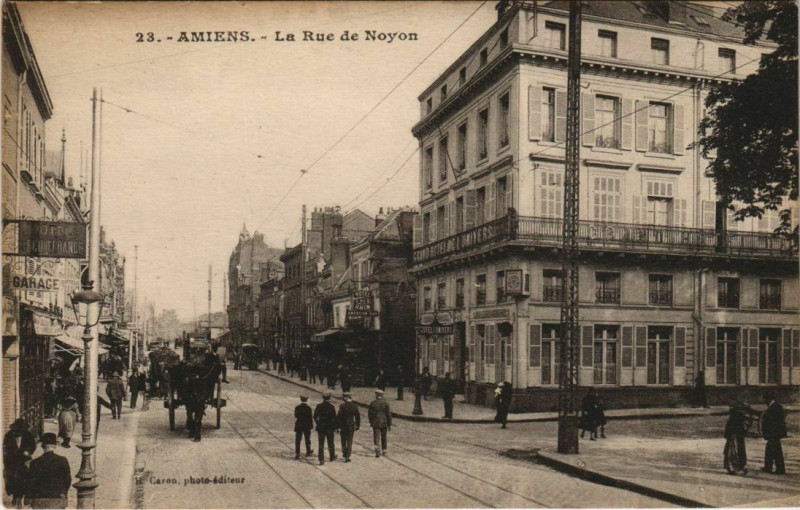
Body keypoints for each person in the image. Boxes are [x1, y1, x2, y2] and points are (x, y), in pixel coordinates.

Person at [24, 433, 72, 509]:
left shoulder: (34, 463)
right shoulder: (63, 460)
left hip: (39, 500)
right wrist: (64, 493)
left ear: (42, 446)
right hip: (57, 499)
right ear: (55, 446)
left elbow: (30, 483)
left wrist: (27, 499)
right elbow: (67, 481)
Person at [3, 419, 36, 507]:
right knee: (12, 481)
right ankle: (15, 497)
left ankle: (20, 500)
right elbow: (5, 450)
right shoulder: (9, 435)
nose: (19, 433)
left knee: (23, 481)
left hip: (24, 462)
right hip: (12, 462)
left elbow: (33, 446)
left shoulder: (28, 435)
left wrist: (28, 452)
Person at [761, 391, 786, 475]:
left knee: (776, 451)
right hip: (774, 433)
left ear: (768, 399)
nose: (764, 402)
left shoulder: (775, 407)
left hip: (774, 433)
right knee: (770, 450)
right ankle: (768, 467)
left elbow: (775, 421)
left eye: (765, 399)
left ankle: (780, 469)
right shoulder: (773, 406)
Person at [724, 402, 750, 475]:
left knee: (733, 452)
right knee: (740, 451)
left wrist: (727, 435)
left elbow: (728, 428)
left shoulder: (733, 419)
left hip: (733, 437)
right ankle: (742, 466)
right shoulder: (741, 418)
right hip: (739, 436)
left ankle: (734, 468)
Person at [313, 390, 338, 465]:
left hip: (321, 427)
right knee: (331, 442)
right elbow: (334, 418)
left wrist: (318, 423)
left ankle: (321, 459)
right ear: (329, 398)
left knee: (321, 443)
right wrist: (335, 427)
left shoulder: (319, 406)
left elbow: (315, 416)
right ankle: (332, 456)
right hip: (329, 427)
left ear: (323, 398)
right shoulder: (331, 407)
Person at [368, 389, 392, 457]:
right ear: (382, 395)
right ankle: (384, 450)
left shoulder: (373, 403)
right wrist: (389, 424)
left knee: (376, 437)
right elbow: (388, 414)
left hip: (375, 422)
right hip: (384, 422)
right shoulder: (386, 403)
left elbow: (370, 414)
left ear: (376, 395)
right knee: (384, 436)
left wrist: (371, 421)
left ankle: (377, 451)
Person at [338, 392, 361, 463]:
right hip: (351, 425)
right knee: (350, 441)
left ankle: (345, 454)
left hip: (343, 426)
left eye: (343, 397)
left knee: (343, 441)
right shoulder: (355, 406)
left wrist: (338, 426)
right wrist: (357, 425)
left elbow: (339, 417)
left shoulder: (342, 406)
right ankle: (348, 455)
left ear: (346, 398)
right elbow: (358, 417)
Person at [294, 394, 314, 460]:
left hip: (299, 425)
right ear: (307, 400)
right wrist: (311, 426)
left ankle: (297, 453)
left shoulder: (297, 407)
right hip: (307, 426)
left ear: (300, 399)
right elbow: (310, 418)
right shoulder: (308, 408)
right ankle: (308, 452)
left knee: (298, 440)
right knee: (307, 439)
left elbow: (296, 415)